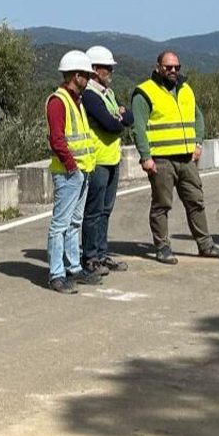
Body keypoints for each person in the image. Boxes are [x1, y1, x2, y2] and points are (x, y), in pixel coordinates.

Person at [131, 51, 219, 264]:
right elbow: (139, 128)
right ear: (158, 67)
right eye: (168, 67)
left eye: (176, 67)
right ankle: (162, 247)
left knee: (196, 201)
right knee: (162, 205)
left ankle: (206, 245)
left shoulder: (186, 89)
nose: (173, 70)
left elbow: (198, 117)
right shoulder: (144, 92)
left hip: (187, 159)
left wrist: (198, 142)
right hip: (161, 160)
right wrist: (146, 157)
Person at [46, 50, 103, 294]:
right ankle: (56, 274)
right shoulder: (59, 101)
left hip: (81, 171)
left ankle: (74, 268)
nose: (89, 79)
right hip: (69, 173)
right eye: (86, 75)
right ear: (76, 75)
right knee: (60, 224)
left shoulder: (76, 101)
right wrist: (72, 167)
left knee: (74, 223)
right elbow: (57, 139)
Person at [81, 45, 134, 275]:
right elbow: (110, 124)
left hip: (112, 158)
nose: (111, 71)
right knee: (94, 211)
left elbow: (128, 117)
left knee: (105, 210)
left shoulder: (108, 93)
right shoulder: (89, 95)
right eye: (107, 67)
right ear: (94, 69)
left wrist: (119, 117)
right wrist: (118, 118)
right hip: (97, 160)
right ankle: (90, 257)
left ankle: (101, 254)